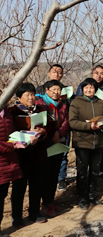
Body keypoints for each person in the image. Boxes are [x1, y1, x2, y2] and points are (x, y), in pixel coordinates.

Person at [8, 83, 49, 225]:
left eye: (32, 94)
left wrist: (43, 132)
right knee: (19, 187)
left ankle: (34, 212)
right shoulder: (12, 112)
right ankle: (17, 217)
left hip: (38, 154)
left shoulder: (41, 109)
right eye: (27, 95)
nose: (31, 98)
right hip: (21, 156)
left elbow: (47, 127)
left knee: (36, 185)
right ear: (19, 98)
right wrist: (24, 136)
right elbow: (9, 133)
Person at [69, 78, 103, 209]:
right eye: (86, 87)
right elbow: (73, 122)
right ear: (82, 88)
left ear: (95, 89)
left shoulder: (101, 102)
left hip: (98, 142)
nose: (88, 89)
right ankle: (82, 197)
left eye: (91, 87)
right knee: (82, 171)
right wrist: (89, 126)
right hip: (82, 142)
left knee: (95, 171)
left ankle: (92, 195)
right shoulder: (76, 102)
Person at [35, 80, 70, 218]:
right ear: (47, 90)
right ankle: (45, 203)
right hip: (43, 145)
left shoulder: (62, 105)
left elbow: (66, 121)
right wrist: (51, 134)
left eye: (58, 89)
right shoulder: (40, 104)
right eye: (53, 89)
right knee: (45, 174)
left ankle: (50, 199)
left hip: (58, 143)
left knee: (54, 173)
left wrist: (59, 133)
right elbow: (37, 124)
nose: (56, 92)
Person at [35, 64, 72, 191]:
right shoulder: (39, 90)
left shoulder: (66, 90)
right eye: (54, 71)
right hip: (46, 134)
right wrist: (51, 132)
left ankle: (60, 179)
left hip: (62, 130)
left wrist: (60, 131)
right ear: (49, 73)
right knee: (46, 160)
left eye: (60, 72)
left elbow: (67, 113)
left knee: (62, 154)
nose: (57, 74)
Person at [76, 65, 103, 178]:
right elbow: (79, 100)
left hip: (102, 121)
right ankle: (84, 172)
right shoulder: (84, 85)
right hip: (86, 122)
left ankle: (99, 170)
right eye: (97, 73)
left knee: (102, 147)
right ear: (92, 73)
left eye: (102, 73)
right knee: (85, 149)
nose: (99, 75)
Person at [0, 106, 23, 232]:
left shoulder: (8, 113)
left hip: (12, 159)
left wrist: (20, 140)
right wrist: (11, 146)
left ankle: (17, 218)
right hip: (2, 160)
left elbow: (12, 133)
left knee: (14, 190)